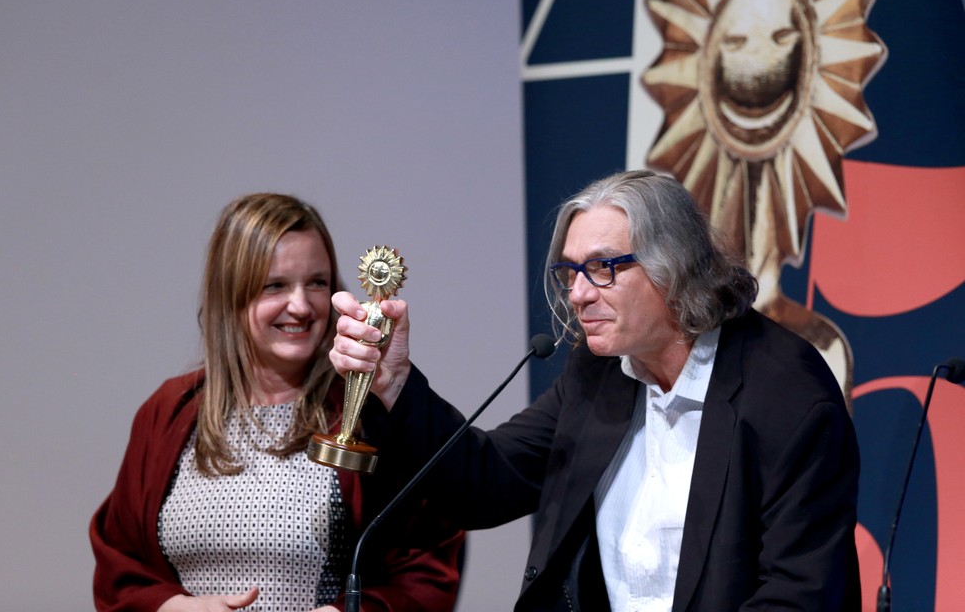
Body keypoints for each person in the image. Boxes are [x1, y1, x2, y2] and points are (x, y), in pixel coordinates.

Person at [329, 170, 861, 611]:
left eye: (602, 268)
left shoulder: (785, 393)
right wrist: (394, 383)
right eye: (569, 273)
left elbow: (799, 593)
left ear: (672, 268)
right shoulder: (600, 374)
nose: (579, 294)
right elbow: (487, 482)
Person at [90, 193, 463, 612]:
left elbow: (426, 566)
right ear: (230, 295)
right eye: (275, 286)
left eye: (318, 283)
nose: (301, 306)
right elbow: (120, 568)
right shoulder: (169, 411)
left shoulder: (363, 414)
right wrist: (169, 607)